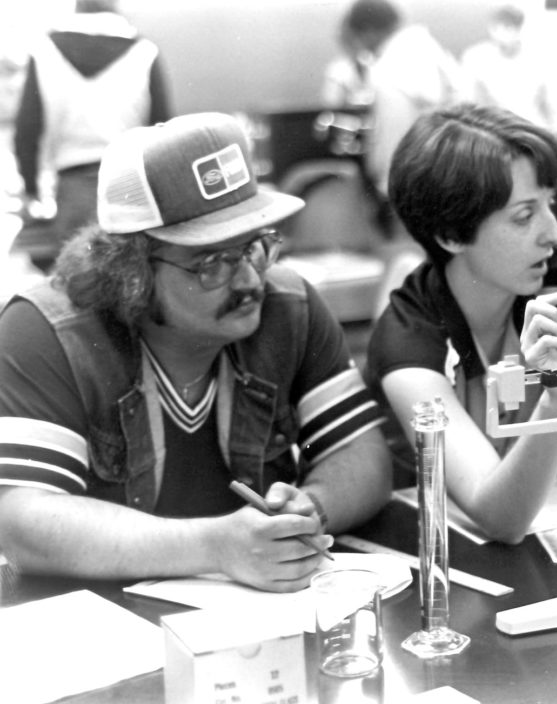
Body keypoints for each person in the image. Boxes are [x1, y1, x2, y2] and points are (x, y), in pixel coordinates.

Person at [0, 112, 392, 592]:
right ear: (132, 270)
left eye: (255, 247)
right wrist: (215, 546)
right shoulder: (46, 330)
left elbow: (363, 453)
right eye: (213, 263)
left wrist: (310, 508)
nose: (250, 281)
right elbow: (20, 520)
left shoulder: (290, 306)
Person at [365, 104, 557, 544]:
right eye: (524, 216)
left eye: (548, 204)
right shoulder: (408, 343)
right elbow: (501, 517)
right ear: (450, 235)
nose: (554, 233)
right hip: (433, 558)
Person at [14, 0, 172, 268]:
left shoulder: (45, 50)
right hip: (129, 187)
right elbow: (163, 130)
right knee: (130, 280)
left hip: (71, 190)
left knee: (76, 286)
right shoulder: (145, 51)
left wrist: (31, 190)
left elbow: (26, 132)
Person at [321, 0, 463, 200]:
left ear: (369, 31)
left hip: (412, 187)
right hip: (449, 174)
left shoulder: (388, 68)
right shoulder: (431, 51)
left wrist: (385, 188)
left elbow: (392, 142)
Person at [461, 5, 552, 129]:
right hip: (496, 130)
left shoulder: (536, 58)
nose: (501, 32)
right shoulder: (476, 57)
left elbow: (546, 104)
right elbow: (468, 100)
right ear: (490, 29)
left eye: (508, 27)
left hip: (533, 128)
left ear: (518, 29)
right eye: (496, 27)